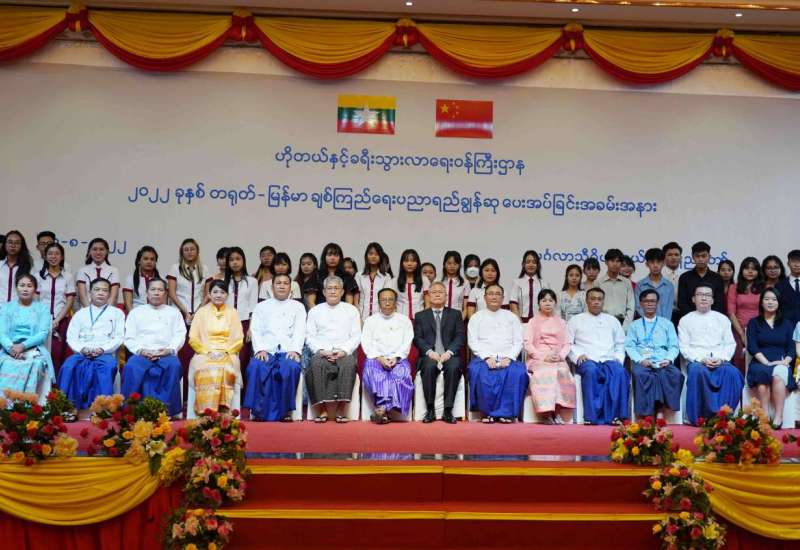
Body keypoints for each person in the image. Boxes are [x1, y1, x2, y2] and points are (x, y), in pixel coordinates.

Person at [59, 278, 124, 418]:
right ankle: (69, 407)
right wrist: (82, 349)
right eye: (97, 289)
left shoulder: (117, 313)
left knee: (107, 367)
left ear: (109, 294)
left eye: (105, 290)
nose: (101, 293)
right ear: (90, 292)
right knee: (68, 366)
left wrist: (102, 349)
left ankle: (101, 409)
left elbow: (119, 337)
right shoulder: (80, 314)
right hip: (82, 353)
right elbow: (71, 337)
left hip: (105, 353)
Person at [679, 283, 743, 426]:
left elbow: (730, 344)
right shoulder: (685, 320)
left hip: (720, 359)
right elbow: (684, 346)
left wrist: (721, 359)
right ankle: (701, 417)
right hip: (697, 360)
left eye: (707, 295)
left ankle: (724, 415)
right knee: (698, 372)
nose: (704, 298)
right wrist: (701, 359)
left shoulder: (722, 319)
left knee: (733, 373)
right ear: (693, 299)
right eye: (700, 295)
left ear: (713, 300)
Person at [245, 274, 306, 421]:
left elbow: (300, 330)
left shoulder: (298, 307)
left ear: (291, 288)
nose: (282, 286)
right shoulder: (261, 306)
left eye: (285, 283)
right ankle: (258, 412)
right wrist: (260, 349)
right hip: (266, 350)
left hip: (288, 350)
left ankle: (285, 412)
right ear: (272, 287)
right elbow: (256, 330)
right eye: (278, 283)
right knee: (256, 366)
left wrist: (295, 350)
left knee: (290, 367)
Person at [122, 278, 186, 416]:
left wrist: (169, 350)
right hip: (142, 353)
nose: (156, 293)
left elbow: (180, 334)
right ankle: (132, 411)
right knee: (131, 367)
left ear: (165, 293)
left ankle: (166, 411)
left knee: (174, 366)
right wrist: (141, 350)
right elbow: (129, 337)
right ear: (147, 293)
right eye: (153, 289)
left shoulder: (174, 313)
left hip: (166, 353)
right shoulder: (136, 312)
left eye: (160, 290)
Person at [467, 284, 528, 423]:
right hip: (483, 358)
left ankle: (506, 414)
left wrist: (510, 357)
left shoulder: (511, 317)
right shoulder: (476, 317)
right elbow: (472, 341)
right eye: (490, 294)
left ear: (503, 298)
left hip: (508, 358)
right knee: (478, 371)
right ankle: (487, 413)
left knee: (518, 372)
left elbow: (518, 341)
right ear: (484, 297)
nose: (494, 297)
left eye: (497, 294)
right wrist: (486, 357)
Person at [305, 275, 361, 423]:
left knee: (349, 363)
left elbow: (356, 336)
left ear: (342, 292)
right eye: (329, 288)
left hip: (344, 351)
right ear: (324, 292)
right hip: (322, 351)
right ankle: (321, 409)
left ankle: (342, 408)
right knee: (316, 363)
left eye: (336, 288)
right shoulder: (315, 311)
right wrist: (321, 351)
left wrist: (344, 351)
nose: (333, 291)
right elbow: (309, 336)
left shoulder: (352, 310)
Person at [568, 287, 628, 425]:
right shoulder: (576, 320)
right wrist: (577, 355)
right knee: (591, 371)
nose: (596, 302)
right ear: (587, 301)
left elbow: (620, 343)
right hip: (587, 360)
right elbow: (568, 343)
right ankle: (591, 417)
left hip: (609, 359)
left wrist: (618, 359)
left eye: (599, 299)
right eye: (593, 299)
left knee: (620, 372)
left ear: (603, 302)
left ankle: (616, 417)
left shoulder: (612, 320)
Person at [187, 280, 244, 416]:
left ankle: (223, 410)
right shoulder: (201, 312)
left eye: (222, 292)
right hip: (204, 353)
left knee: (227, 369)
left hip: (227, 353)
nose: (218, 295)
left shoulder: (233, 313)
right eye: (215, 292)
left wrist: (226, 352)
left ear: (227, 295)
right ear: (209, 294)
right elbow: (193, 338)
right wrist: (207, 352)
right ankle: (206, 412)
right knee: (205, 370)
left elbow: (239, 339)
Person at [625, 289, 683, 419]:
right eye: (646, 301)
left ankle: (662, 409)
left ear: (657, 303)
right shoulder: (634, 325)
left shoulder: (667, 324)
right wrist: (640, 360)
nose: (650, 304)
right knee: (641, 374)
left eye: (653, 301)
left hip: (663, 361)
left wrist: (668, 359)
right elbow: (629, 346)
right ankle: (647, 413)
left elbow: (674, 346)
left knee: (675, 374)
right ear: (641, 303)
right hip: (644, 361)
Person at [414, 281, 465, 423]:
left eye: (440, 292)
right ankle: (430, 410)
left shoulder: (455, 314)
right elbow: (417, 338)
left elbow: (460, 336)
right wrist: (429, 351)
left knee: (453, 367)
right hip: (430, 355)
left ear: (446, 296)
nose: (437, 294)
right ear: (429, 296)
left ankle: (448, 411)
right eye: (434, 292)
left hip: (449, 354)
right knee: (429, 366)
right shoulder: (420, 316)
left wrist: (449, 352)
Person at [361, 288, 414, 424]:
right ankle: (383, 410)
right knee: (372, 371)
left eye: (390, 299)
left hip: (398, 359)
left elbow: (407, 343)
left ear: (396, 302)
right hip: (376, 358)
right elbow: (366, 343)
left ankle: (381, 410)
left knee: (402, 374)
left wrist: (396, 358)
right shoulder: (370, 321)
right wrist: (380, 358)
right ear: (379, 302)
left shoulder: (404, 320)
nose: (387, 302)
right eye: (384, 300)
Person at [0, 274, 54, 402]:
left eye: (29, 286)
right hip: (10, 349)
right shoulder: (6, 308)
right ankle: (4, 405)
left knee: (35, 364)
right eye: (22, 285)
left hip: (34, 349)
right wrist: (11, 348)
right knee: (6, 363)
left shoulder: (42, 308)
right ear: (16, 288)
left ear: (35, 289)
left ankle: (27, 407)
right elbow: (1, 332)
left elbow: (43, 333)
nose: (25, 289)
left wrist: (23, 346)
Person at [524, 289, 575, 424]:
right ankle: (546, 413)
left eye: (551, 300)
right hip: (538, 358)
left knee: (562, 371)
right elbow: (527, 344)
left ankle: (556, 411)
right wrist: (542, 357)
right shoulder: (533, 321)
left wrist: (561, 356)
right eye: (544, 300)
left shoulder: (562, 322)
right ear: (538, 303)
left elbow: (567, 343)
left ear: (555, 303)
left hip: (557, 358)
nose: (547, 303)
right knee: (546, 372)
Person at [747, 288, 795, 428]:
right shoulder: (754, 323)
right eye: (767, 299)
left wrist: (785, 361)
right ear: (761, 302)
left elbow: (791, 348)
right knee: (762, 372)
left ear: (779, 303)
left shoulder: (787, 324)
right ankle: (765, 414)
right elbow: (752, 347)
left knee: (779, 372)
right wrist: (767, 363)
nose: (770, 302)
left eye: (774, 299)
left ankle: (778, 416)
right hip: (760, 360)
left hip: (781, 360)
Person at [167, 238, 207, 405]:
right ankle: (180, 397)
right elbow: (172, 293)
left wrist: (196, 312)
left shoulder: (204, 269)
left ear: (197, 251)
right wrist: (185, 312)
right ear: (181, 252)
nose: (189, 252)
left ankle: (195, 396)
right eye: (186, 249)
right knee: (181, 355)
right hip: (179, 314)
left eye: (192, 249)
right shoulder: (175, 268)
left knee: (195, 354)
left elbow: (206, 294)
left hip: (198, 315)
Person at [35, 242, 75, 373]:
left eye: (57, 254)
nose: (53, 256)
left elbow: (69, 300)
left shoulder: (68, 276)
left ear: (62, 257)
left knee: (58, 355)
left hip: (61, 321)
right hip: (41, 321)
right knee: (41, 354)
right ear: (45, 256)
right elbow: (35, 300)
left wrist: (57, 320)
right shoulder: (38, 276)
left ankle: (57, 384)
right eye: (50, 254)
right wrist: (45, 320)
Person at [223, 247, 258, 371]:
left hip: (245, 323)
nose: (235, 262)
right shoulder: (223, 281)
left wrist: (251, 328)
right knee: (227, 359)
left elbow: (253, 307)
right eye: (231, 260)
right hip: (226, 323)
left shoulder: (252, 281)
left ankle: (242, 384)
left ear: (243, 261)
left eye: (238, 259)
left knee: (243, 359)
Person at [727, 257, 763, 374]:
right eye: (747, 268)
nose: (750, 271)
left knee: (758, 360)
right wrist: (742, 334)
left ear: (758, 271)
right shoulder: (734, 287)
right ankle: (739, 385)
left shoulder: (764, 288)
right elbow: (731, 312)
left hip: (759, 330)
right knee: (739, 362)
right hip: (738, 330)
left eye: (753, 269)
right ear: (741, 270)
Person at [677, 242, 726, 318]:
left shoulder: (717, 278)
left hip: (712, 320)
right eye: (697, 256)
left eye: (704, 256)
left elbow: (719, 304)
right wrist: (694, 318)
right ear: (693, 257)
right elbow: (682, 303)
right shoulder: (684, 277)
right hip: (690, 319)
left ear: (709, 257)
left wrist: (709, 318)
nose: (700, 259)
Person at [309, 243, 359, 307]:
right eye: (329, 255)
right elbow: (311, 302)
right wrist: (318, 312)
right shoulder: (317, 275)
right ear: (324, 257)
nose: (332, 258)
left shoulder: (346, 276)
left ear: (340, 258)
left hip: (341, 311)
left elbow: (349, 303)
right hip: (320, 311)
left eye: (336, 255)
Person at [76, 238, 120, 308]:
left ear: (107, 252)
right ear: (89, 251)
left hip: (108, 312)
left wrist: (105, 312)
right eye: (94, 249)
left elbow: (113, 296)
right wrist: (90, 312)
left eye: (101, 249)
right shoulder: (82, 271)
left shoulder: (114, 271)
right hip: (86, 311)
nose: (98, 252)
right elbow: (82, 297)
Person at [597, 248, 635, 329]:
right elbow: (595, 305)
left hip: (622, 323)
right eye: (612, 261)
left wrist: (625, 327)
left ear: (621, 263)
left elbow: (631, 307)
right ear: (606, 262)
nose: (615, 264)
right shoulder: (598, 283)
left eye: (618, 261)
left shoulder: (627, 283)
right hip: (602, 323)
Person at [354, 242, 393, 320]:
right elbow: (356, 300)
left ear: (380, 257)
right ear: (366, 256)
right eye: (371, 253)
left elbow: (387, 298)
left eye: (377, 254)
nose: (373, 256)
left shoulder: (386, 277)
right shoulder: (359, 275)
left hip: (380, 318)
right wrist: (358, 318)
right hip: (362, 317)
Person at [510, 250, 549, 323]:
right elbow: (513, 304)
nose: (531, 264)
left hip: (540, 321)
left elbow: (548, 305)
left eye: (534, 262)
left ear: (538, 265)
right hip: (522, 321)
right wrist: (519, 323)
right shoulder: (516, 282)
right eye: (528, 262)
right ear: (523, 264)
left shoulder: (544, 284)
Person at [635, 248, 674, 320]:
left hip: (663, 324)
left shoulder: (669, 286)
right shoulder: (640, 285)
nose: (655, 265)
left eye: (658, 262)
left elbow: (669, 309)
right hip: (645, 323)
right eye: (652, 262)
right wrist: (650, 321)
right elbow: (639, 307)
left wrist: (663, 324)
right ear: (647, 264)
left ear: (664, 263)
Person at [392, 249, 430, 322]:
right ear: (402, 263)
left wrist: (424, 319)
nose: (409, 264)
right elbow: (392, 303)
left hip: (420, 320)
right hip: (400, 320)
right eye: (406, 261)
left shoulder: (424, 280)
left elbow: (428, 304)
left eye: (413, 261)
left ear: (417, 263)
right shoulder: (394, 281)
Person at [123, 246, 160, 312]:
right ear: (139, 261)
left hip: (157, 314)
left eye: (152, 259)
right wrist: (134, 316)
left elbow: (164, 304)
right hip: (137, 314)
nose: (149, 262)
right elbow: (128, 304)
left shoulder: (161, 280)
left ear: (155, 262)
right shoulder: (130, 279)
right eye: (146, 259)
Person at [0, 230, 33, 304]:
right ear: (4, 244)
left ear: (22, 246)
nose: (13, 245)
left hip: (19, 308)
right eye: (10, 242)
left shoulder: (29, 267)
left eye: (17, 243)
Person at [440, 251, 470, 315]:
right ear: (444, 264)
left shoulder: (465, 283)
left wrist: (460, 319)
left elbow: (466, 308)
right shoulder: (437, 282)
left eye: (455, 263)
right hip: (440, 316)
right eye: (449, 263)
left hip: (457, 316)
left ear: (460, 265)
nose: (452, 266)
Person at [776, 249, 800, 326]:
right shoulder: (779, 286)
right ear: (788, 263)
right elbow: (777, 308)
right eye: (794, 261)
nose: (797, 265)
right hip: (787, 327)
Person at [662, 242, 683, 325]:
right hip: (663, 315)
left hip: (682, 315)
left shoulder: (685, 275)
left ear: (681, 258)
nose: (673, 257)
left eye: (676, 255)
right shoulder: (658, 275)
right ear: (664, 258)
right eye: (670, 255)